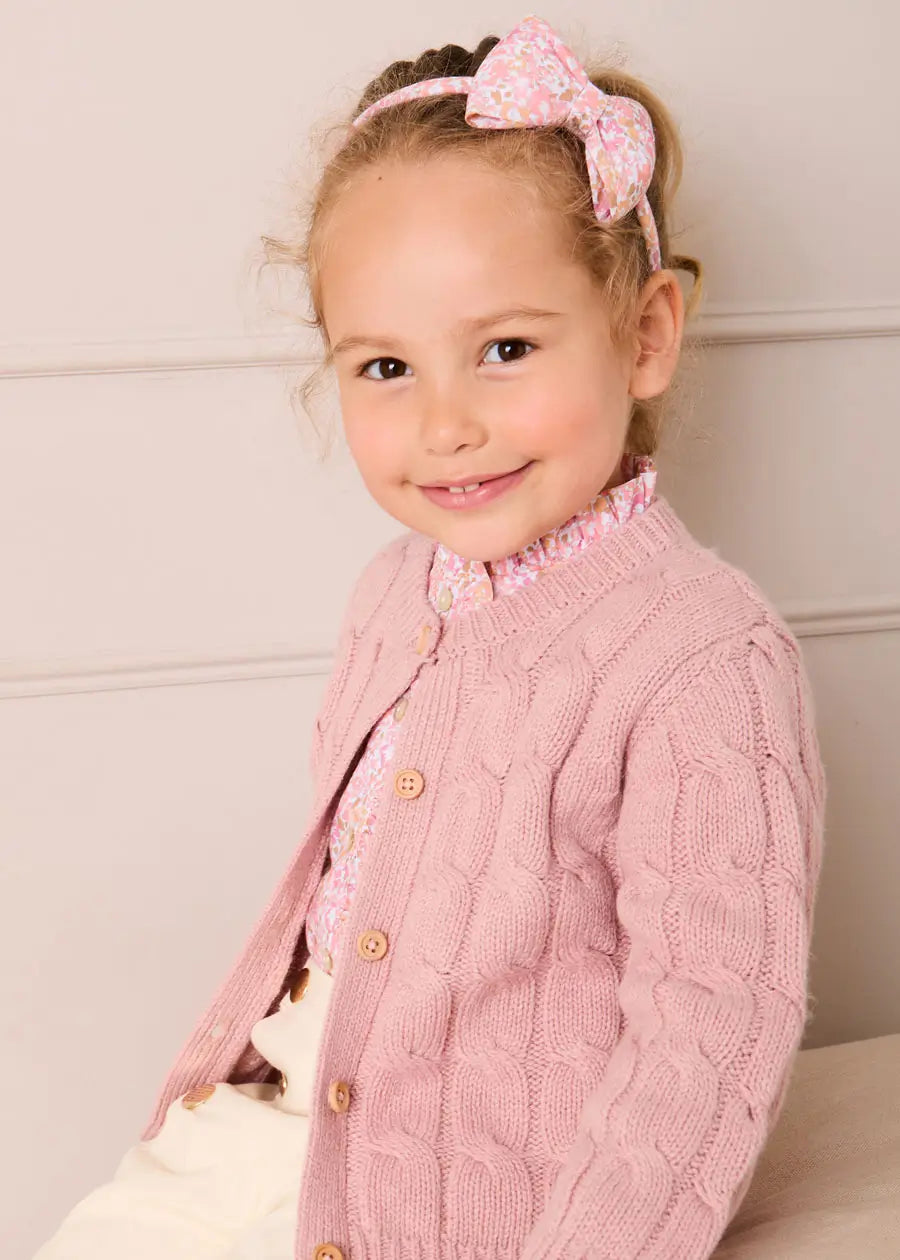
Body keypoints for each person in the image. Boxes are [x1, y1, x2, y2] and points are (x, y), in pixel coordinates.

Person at [34, 13, 826, 1260]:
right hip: (273, 1129)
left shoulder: (703, 659)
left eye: (505, 349)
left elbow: (710, 1034)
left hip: (477, 1196)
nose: (446, 424)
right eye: (386, 368)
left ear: (646, 333)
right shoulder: (393, 593)